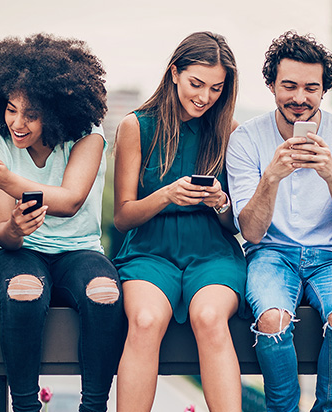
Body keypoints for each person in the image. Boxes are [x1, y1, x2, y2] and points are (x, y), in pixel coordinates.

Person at [0, 34, 125, 412]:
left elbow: (69, 201)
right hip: (19, 254)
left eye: (31, 115)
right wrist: (16, 228)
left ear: (55, 113)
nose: (17, 123)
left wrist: (4, 180)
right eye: (11, 109)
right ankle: (25, 406)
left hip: (79, 250)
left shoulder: (88, 136)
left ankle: (94, 406)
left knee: (105, 293)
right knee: (23, 291)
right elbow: (3, 233)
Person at [226, 30, 332, 412]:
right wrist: (272, 176)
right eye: (289, 86)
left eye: (311, 87)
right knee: (273, 320)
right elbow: (252, 231)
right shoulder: (246, 139)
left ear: (324, 89)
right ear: (271, 84)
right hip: (272, 252)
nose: (299, 98)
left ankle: (328, 407)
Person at [113, 31, 246, 412]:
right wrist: (165, 195)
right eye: (196, 83)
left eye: (217, 88)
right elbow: (123, 216)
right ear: (174, 73)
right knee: (144, 320)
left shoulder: (229, 131)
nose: (205, 97)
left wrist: (221, 201)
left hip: (212, 252)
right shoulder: (136, 126)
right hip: (150, 250)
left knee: (209, 318)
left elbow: (233, 225)